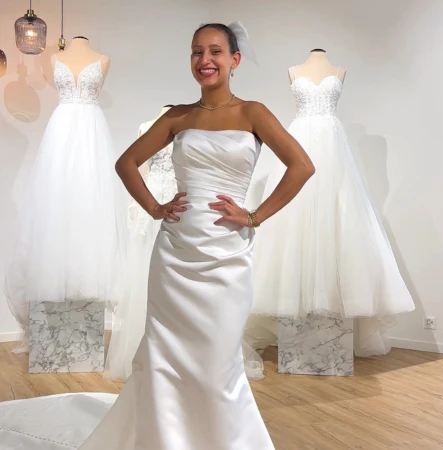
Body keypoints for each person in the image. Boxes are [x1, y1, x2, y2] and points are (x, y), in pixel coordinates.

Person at [78, 21, 315, 450]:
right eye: (196, 52)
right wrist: (155, 208)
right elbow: (126, 163)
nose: (205, 61)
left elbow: (302, 167)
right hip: (175, 253)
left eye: (215, 52)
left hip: (226, 254)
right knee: (165, 358)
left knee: (217, 361)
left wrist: (255, 215)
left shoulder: (253, 113)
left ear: (234, 60)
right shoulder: (177, 116)